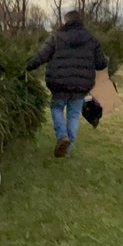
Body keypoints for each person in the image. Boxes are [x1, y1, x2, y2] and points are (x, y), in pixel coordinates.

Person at [26, 10, 108, 158]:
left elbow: (40, 56)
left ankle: (62, 136)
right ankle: (67, 149)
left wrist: (25, 67)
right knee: (74, 116)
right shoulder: (91, 39)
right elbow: (101, 64)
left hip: (59, 83)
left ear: (66, 21)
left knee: (57, 108)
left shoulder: (56, 37)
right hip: (81, 86)